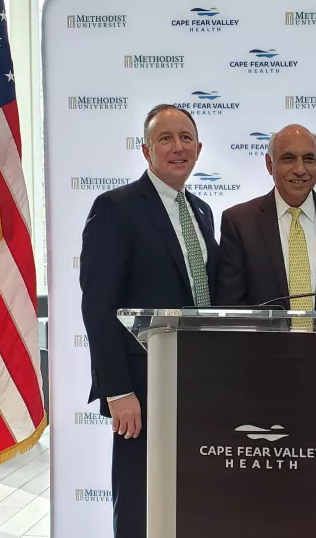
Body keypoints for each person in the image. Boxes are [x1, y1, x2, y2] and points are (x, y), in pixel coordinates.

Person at [79, 104, 220, 538]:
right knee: (140, 504)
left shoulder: (201, 211)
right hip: (140, 391)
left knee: (191, 502)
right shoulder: (116, 208)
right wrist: (118, 391)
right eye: (165, 138)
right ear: (145, 150)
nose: (177, 147)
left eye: (185, 138)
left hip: (197, 387)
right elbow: (98, 307)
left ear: (199, 149)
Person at [216, 124, 316, 311]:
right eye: (288, 159)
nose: (300, 169)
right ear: (269, 164)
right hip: (261, 341)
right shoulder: (239, 222)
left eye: (308, 159)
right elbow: (232, 307)